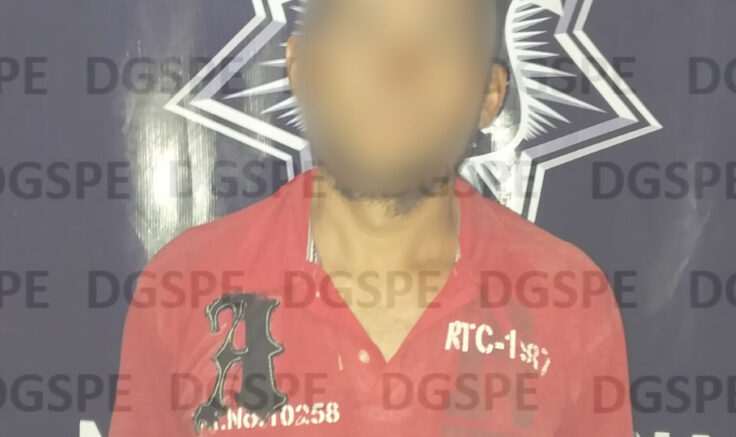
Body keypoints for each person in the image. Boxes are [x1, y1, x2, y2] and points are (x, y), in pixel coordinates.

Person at [109, 0, 632, 435]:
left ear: (489, 95)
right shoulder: (184, 285)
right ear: (300, 66)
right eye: (363, 31)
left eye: (442, 39)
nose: (397, 69)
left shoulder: (568, 297)